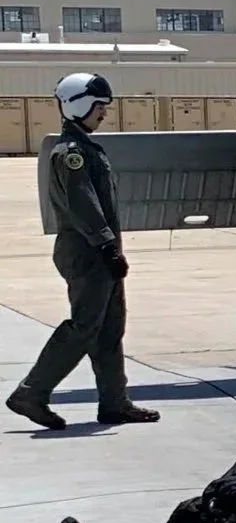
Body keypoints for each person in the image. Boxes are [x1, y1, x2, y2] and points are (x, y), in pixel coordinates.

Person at [8, 74, 157, 430]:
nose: (103, 114)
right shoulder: (71, 154)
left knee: (109, 328)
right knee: (85, 326)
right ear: (79, 104)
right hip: (87, 251)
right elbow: (83, 204)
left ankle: (114, 403)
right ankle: (31, 392)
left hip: (98, 250)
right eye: (99, 107)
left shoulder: (86, 149)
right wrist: (106, 245)